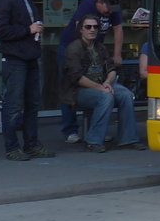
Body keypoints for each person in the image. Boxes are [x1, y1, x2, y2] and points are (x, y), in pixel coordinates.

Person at [0, 0, 56, 161]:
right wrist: (28, 29)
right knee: (14, 104)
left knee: (32, 103)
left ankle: (31, 144)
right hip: (15, 59)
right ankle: (12, 147)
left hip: (29, 56)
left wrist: (35, 28)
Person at [61, 12, 146, 152]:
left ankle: (128, 139)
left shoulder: (100, 47)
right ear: (81, 29)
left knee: (126, 94)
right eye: (88, 27)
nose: (92, 30)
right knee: (105, 97)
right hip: (78, 91)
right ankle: (93, 140)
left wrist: (107, 82)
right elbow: (77, 78)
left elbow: (112, 69)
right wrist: (101, 88)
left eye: (95, 27)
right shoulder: (73, 48)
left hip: (101, 85)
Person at [57, 0, 125, 143]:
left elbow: (118, 29)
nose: (109, 13)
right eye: (107, 9)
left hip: (95, 48)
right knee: (70, 86)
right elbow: (79, 28)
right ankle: (70, 130)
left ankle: (96, 129)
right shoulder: (88, 4)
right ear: (99, 3)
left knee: (100, 87)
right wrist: (83, 52)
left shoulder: (112, 8)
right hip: (72, 47)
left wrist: (117, 54)